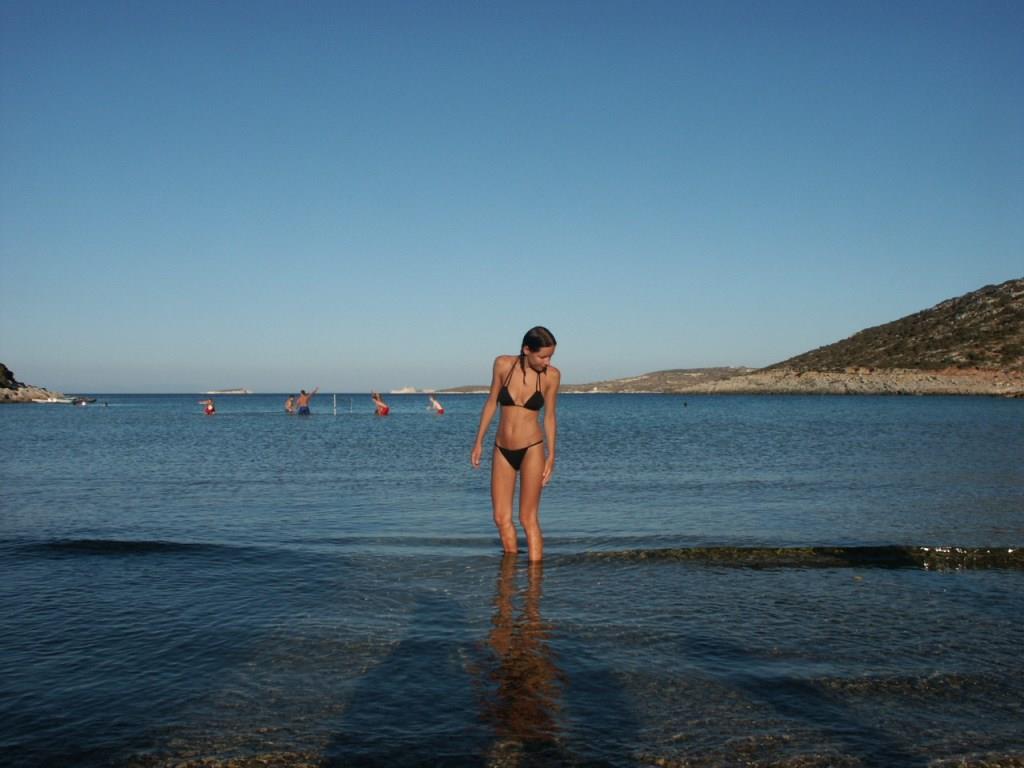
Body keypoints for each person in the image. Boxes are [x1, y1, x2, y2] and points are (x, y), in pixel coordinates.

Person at [471, 326, 559, 561]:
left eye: (551, 356)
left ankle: (535, 576)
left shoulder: (551, 376)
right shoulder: (502, 365)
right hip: (502, 448)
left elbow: (550, 417)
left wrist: (551, 455)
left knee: (527, 518)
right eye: (543, 356)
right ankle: (508, 571)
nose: (547, 361)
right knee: (501, 518)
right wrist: (479, 441)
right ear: (527, 349)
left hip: (532, 448)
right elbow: (492, 402)